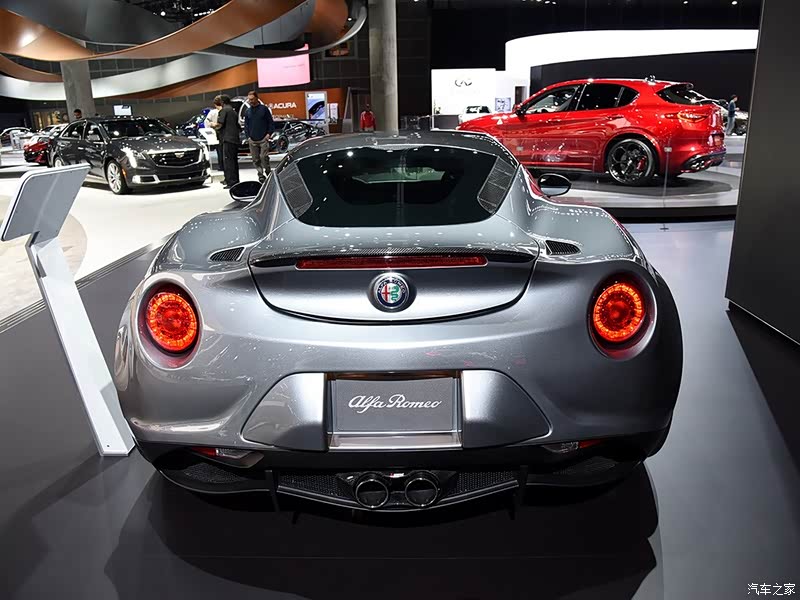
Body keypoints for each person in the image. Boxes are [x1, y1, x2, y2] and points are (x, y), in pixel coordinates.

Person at [243, 90, 275, 183]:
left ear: (257, 98)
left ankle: (268, 172)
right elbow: (246, 125)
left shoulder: (264, 109)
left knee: (264, 157)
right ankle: (260, 175)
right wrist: (248, 137)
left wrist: (268, 134)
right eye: (249, 100)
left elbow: (270, 122)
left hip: (263, 138)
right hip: (252, 140)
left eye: (252, 99)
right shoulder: (248, 111)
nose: (250, 101)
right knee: (255, 159)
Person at [213, 95, 240, 189]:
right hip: (235, 139)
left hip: (227, 139)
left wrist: (212, 125)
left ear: (222, 102)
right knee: (234, 161)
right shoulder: (233, 111)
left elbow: (219, 124)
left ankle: (231, 182)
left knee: (228, 161)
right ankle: (236, 181)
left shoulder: (224, 111)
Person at [204, 99, 224, 175]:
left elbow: (206, 122)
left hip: (217, 134)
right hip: (225, 134)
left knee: (219, 151)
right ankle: (225, 165)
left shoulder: (212, 112)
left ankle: (221, 166)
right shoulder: (226, 111)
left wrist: (211, 127)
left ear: (215, 104)